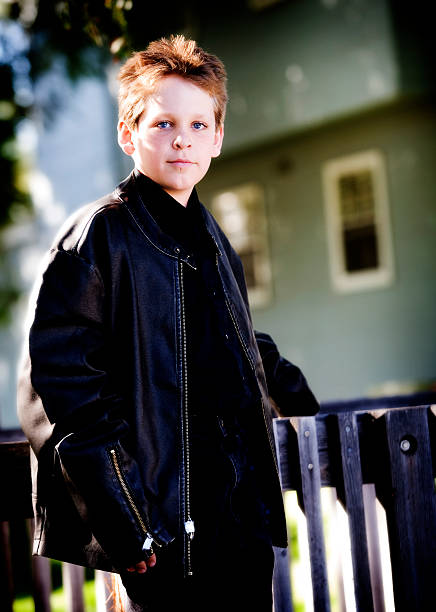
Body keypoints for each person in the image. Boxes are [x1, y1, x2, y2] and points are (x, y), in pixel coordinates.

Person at [17, 35, 319, 611]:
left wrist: (299, 401)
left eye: (199, 124)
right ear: (128, 133)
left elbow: (235, 343)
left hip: (240, 520)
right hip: (161, 536)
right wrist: (123, 520)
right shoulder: (98, 240)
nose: (183, 137)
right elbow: (64, 391)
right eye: (163, 123)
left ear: (219, 137)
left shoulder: (212, 239)